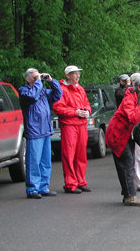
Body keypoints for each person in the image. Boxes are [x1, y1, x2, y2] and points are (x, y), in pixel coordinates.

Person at [105, 75, 140, 206]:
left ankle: (128, 193)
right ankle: (130, 196)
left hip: (127, 135)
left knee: (129, 163)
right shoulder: (129, 98)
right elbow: (133, 118)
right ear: (138, 87)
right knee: (127, 164)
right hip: (118, 136)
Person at [19, 68, 63, 199]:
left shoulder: (42, 91)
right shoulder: (24, 91)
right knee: (34, 161)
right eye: (34, 78)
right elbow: (32, 96)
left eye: (38, 78)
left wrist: (51, 81)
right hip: (34, 130)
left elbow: (57, 94)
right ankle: (32, 188)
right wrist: (39, 82)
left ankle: (43, 187)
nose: (38, 80)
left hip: (45, 130)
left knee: (45, 161)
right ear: (27, 79)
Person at [52, 65, 92, 194]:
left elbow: (87, 103)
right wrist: (75, 112)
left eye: (78, 74)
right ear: (67, 75)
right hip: (69, 125)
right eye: (74, 74)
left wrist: (87, 111)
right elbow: (58, 108)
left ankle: (81, 181)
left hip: (81, 124)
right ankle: (70, 183)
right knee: (69, 154)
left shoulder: (80, 88)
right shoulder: (61, 89)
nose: (78, 76)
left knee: (81, 154)